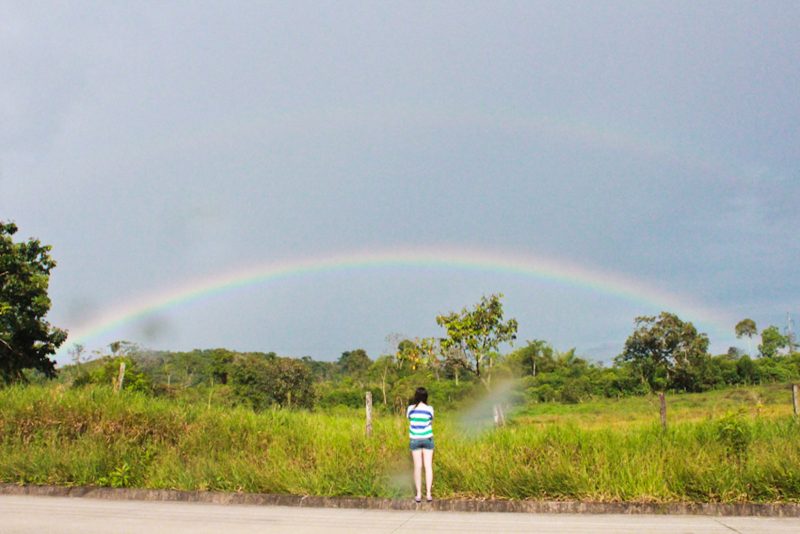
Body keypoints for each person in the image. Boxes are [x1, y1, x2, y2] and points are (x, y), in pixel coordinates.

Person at [407, 386, 434, 503]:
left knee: (417, 467)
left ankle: (418, 494)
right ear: (426, 397)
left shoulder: (410, 409)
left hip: (415, 439)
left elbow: (410, 420)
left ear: (416, 396)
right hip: (427, 438)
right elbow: (431, 421)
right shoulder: (430, 409)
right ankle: (428, 494)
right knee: (428, 466)